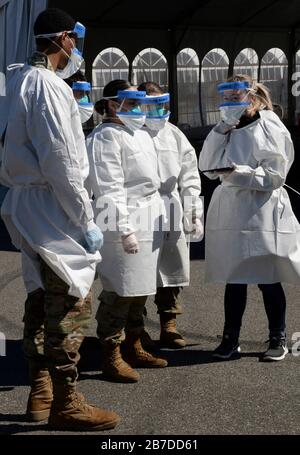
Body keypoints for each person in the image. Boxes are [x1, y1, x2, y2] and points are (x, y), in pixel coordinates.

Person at [0, 8, 119, 430]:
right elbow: (64, 163)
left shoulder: (15, 80)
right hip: (52, 205)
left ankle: (40, 389)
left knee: (38, 298)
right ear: (65, 38)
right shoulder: (49, 86)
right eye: (74, 41)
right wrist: (85, 218)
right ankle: (66, 399)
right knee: (71, 300)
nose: (76, 50)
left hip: (25, 202)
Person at [199, 74, 300, 361]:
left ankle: (277, 338)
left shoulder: (268, 125)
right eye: (226, 98)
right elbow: (206, 166)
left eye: (236, 97)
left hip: (262, 209)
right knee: (235, 277)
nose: (230, 103)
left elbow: (275, 176)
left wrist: (238, 173)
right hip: (232, 209)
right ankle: (231, 338)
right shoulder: (226, 127)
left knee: (268, 276)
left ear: (252, 98)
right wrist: (221, 129)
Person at [86, 80, 168, 383]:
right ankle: (111, 353)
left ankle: (134, 344)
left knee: (140, 289)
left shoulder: (138, 133)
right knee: (119, 290)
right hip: (123, 222)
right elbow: (109, 188)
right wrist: (124, 230)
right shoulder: (105, 137)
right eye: (130, 103)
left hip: (148, 219)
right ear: (111, 104)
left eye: (137, 103)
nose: (137, 109)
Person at [137, 81, 203, 349]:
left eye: (159, 103)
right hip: (140, 209)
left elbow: (189, 174)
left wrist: (192, 209)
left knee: (172, 268)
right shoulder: (129, 133)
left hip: (171, 206)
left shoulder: (175, 134)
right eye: (149, 103)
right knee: (138, 269)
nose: (156, 109)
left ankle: (169, 324)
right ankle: (136, 327)